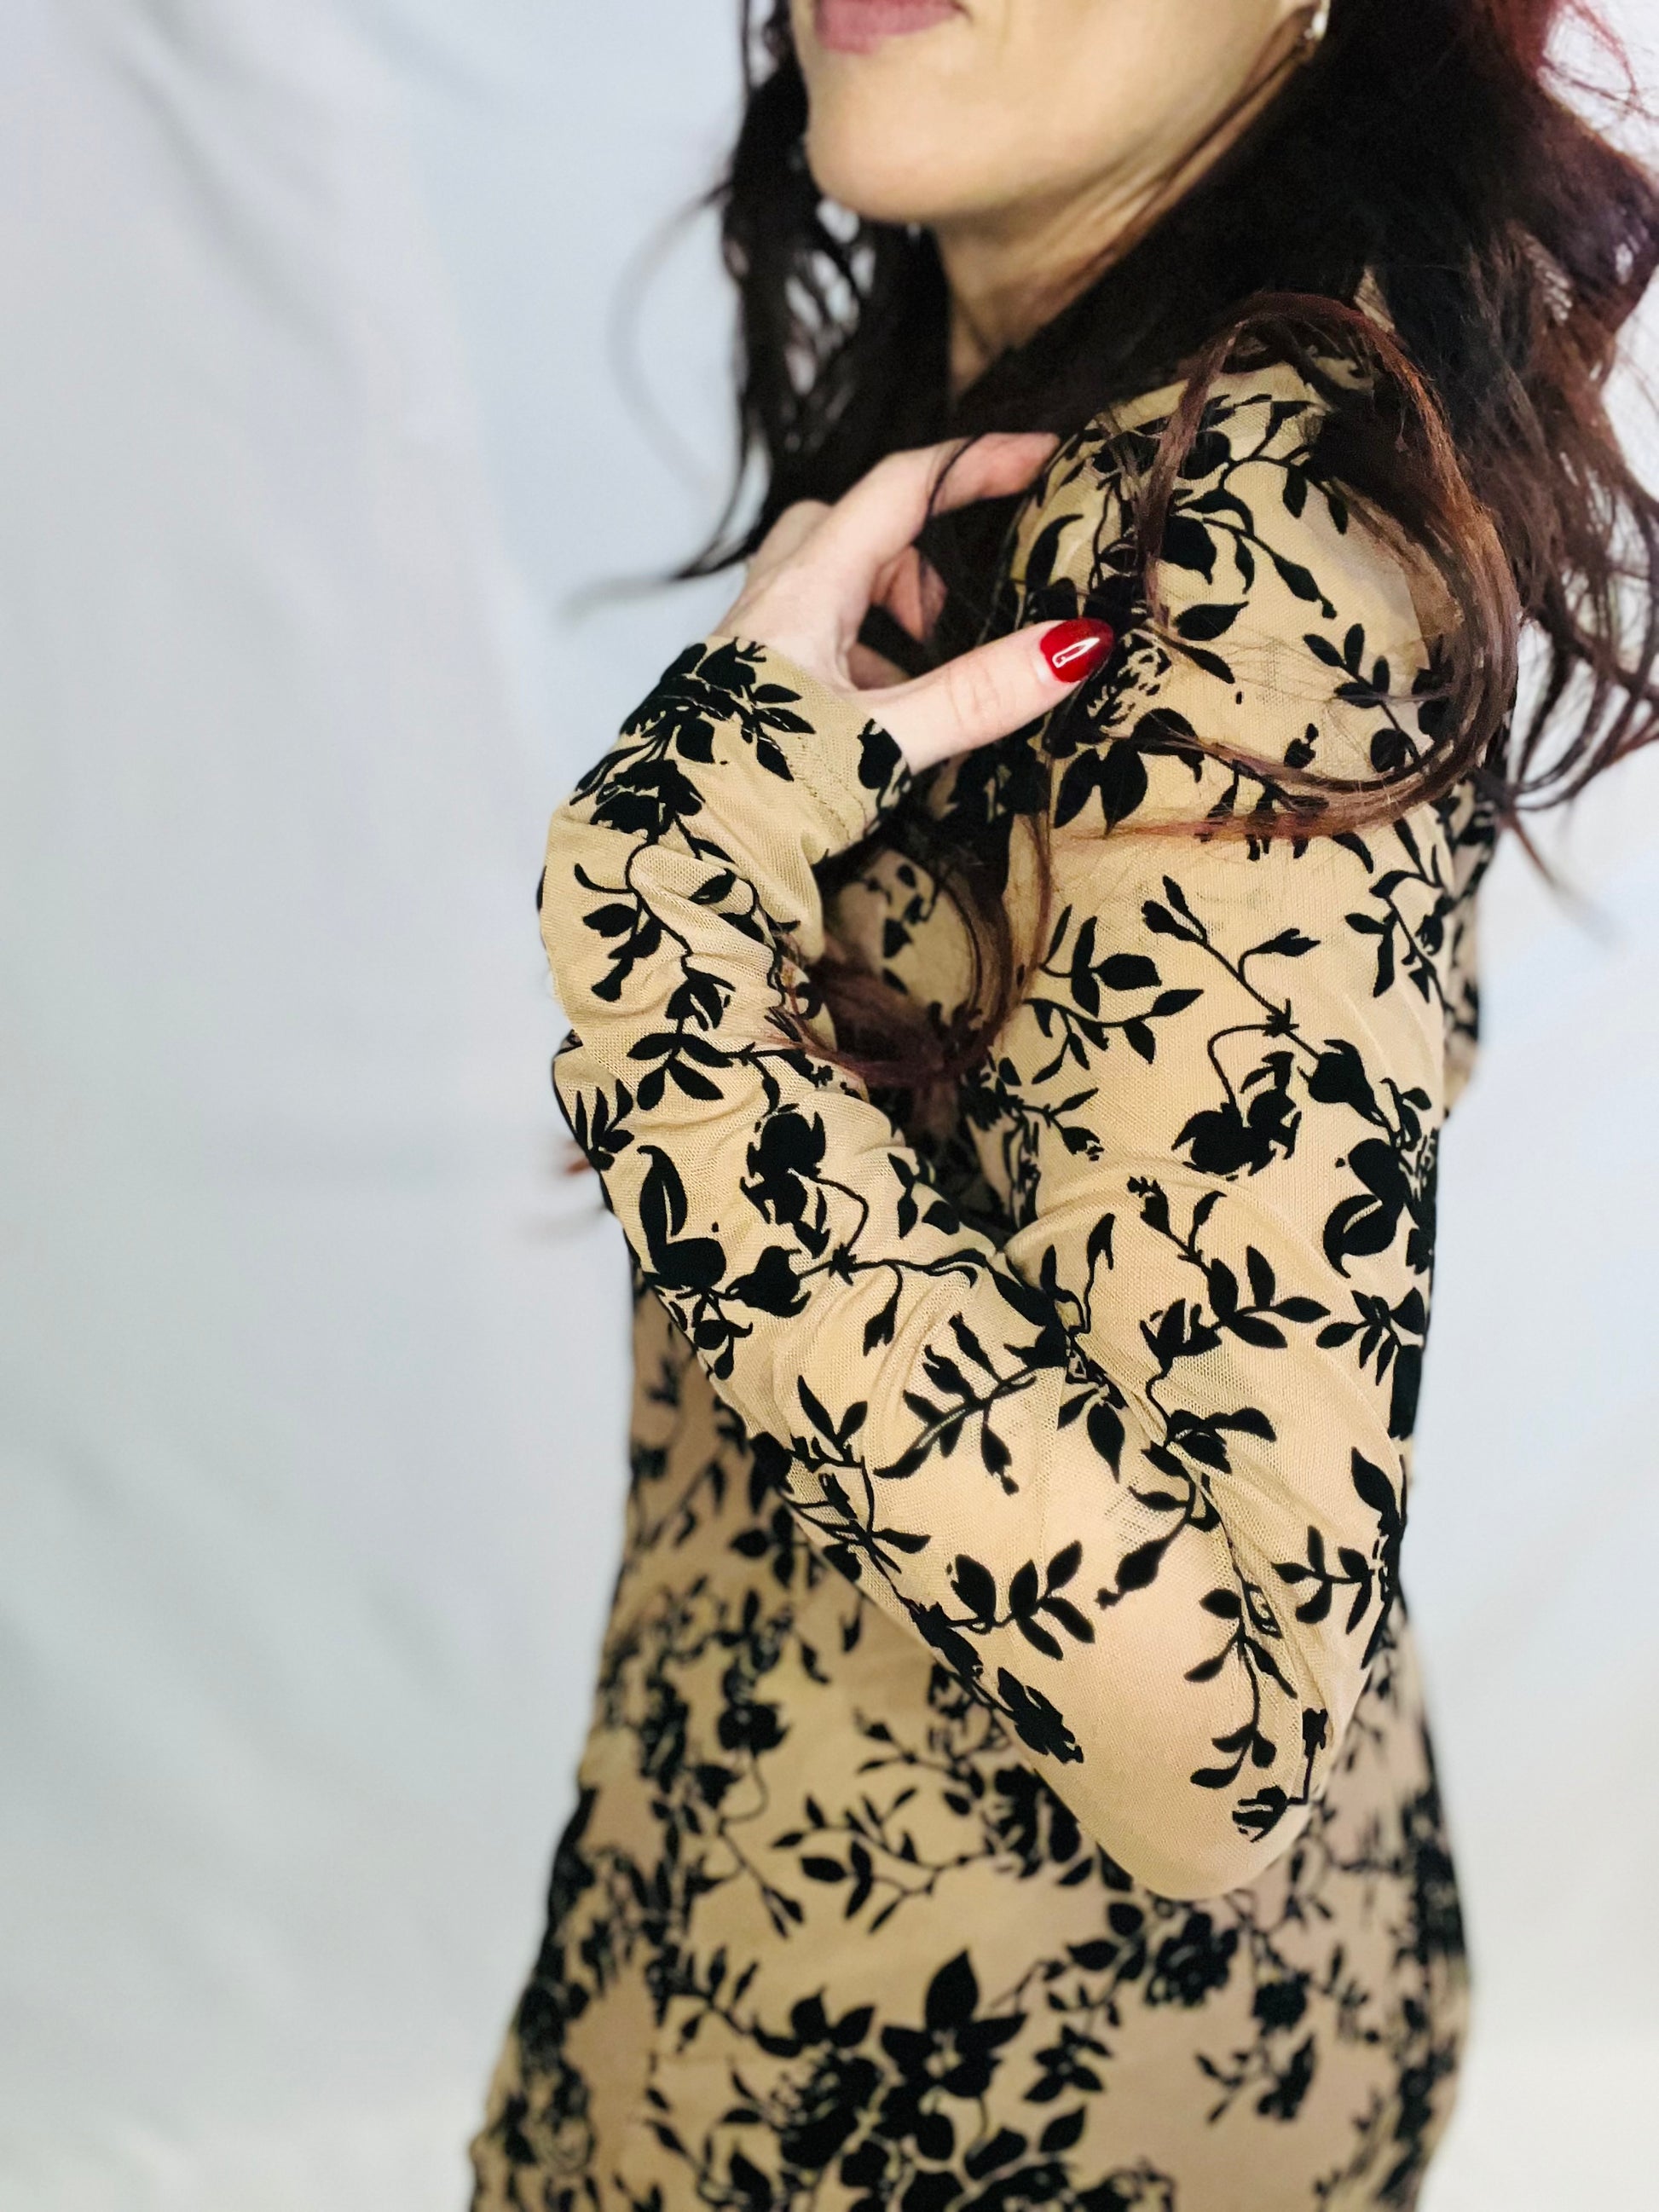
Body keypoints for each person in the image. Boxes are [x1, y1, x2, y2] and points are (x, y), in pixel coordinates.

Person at [471, 3, 1659, 2205]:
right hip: (911, 1990)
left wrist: (662, 955)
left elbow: (1222, 1732)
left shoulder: (1230, 538)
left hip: (965, 2106)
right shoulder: (1084, 419)